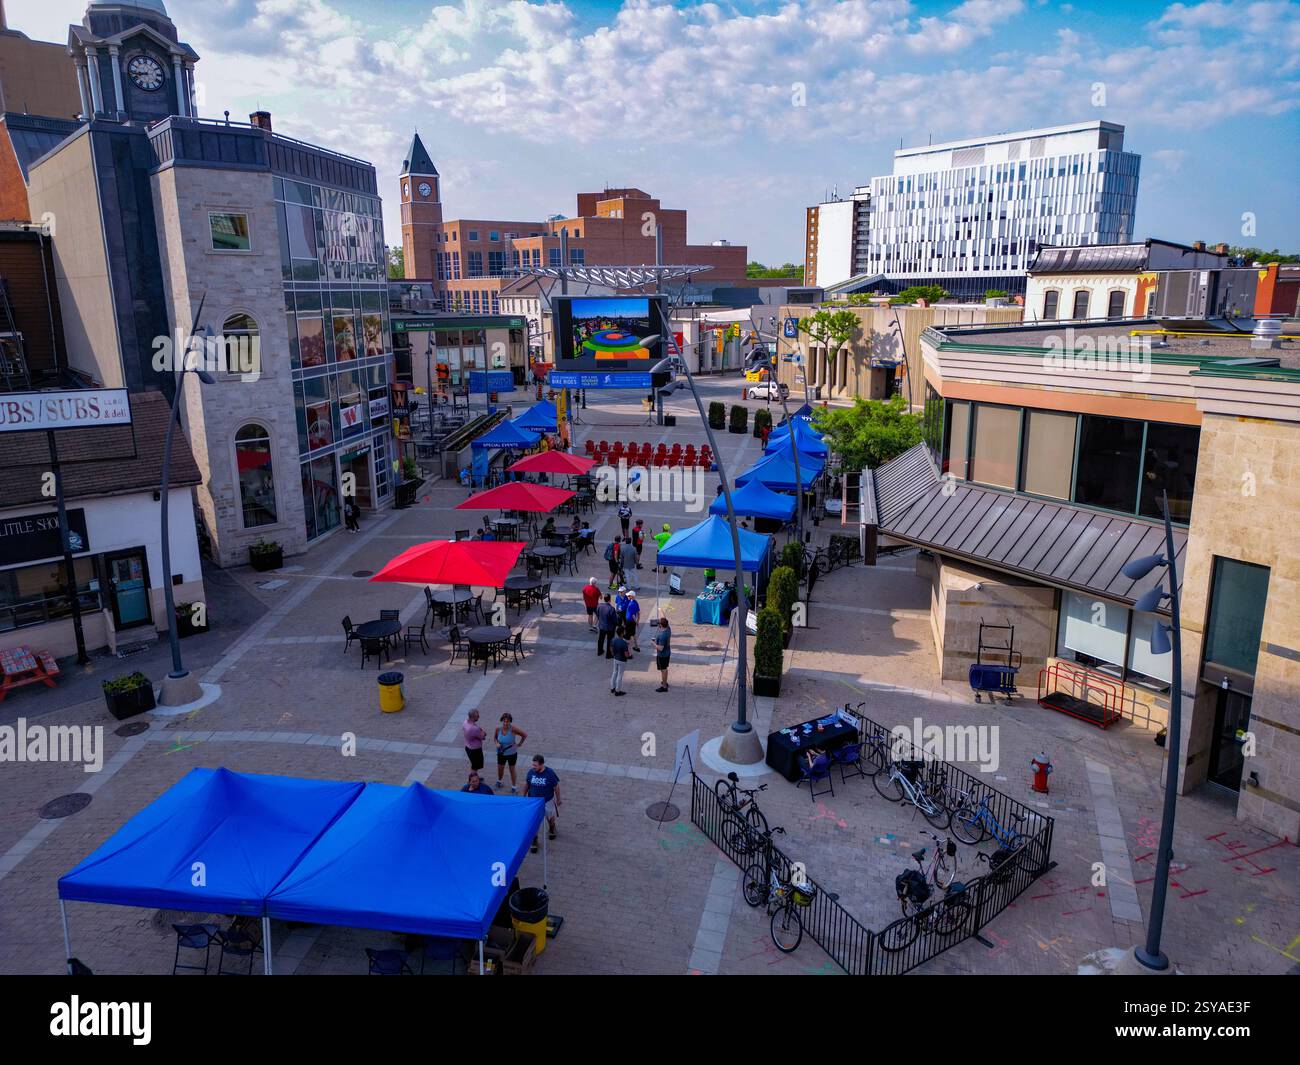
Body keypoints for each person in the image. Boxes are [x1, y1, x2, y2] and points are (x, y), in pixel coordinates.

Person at [526, 755, 561, 853]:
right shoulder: (531, 773)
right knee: (534, 822)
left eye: (535, 765)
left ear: (541, 765)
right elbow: (527, 784)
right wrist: (523, 796)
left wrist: (558, 799)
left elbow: (556, 787)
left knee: (550, 817)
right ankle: (534, 840)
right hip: (534, 802)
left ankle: (552, 827)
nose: (533, 767)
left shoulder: (550, 773)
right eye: (533, 765)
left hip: (547, 801)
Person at [494, 712, 527, 792]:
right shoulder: (498, 729)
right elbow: (495, 738)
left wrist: (519, 744)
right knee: (500, 769)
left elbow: (524, 735)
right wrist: (497, 743)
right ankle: (499, 781)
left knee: (512, 769)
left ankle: (514, 786)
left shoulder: (513, 729)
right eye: (504, 721)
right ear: (502, 721)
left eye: (507, 721)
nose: (505, 723)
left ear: (510, 721)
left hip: (511, 754)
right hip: (501, 753)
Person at [609, 626, 631, 696]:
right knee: (620, 675)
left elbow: (611, 648)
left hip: (615, 658)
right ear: (622, 633)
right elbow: (626, 655)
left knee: (614, 672)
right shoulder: (624, 643)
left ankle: (612, 687)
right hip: (622, 660)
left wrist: (614, 654)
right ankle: (617, 691)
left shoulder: (613, 640)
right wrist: (629, 655)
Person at [653, 617, 672, 692]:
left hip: (662, 655)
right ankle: (665, 681)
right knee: (664, 669)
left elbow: (660, 648)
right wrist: (661, 610)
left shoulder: (662, 635)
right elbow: (665, 618)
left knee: (663, 670)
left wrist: (653, 644)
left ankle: (664, 686)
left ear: (661, 625)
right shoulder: (668, 629)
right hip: (667, 653)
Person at [596, 593, 618, 658]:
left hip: (602, 626)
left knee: (601, 639)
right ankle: (608, 654)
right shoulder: (611, 609)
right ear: (610, 600)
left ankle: (599, 651)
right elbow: (614, 620)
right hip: (610, 627)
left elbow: (597, 615)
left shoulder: (599, 606)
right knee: (610, 640)